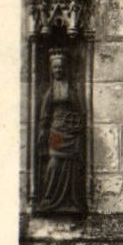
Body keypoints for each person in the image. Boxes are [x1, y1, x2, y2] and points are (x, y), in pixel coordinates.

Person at [36, 48, 85, 216]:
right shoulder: (51, 92)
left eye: (61, 67)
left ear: (65, 68)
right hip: (56, 132)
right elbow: (44, 115)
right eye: (55, 67)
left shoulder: (71, 90)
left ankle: (71, 200)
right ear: (52, 69)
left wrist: (77, 125)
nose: (58, 70)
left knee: (71, 165)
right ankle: (49, 198)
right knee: (54, 162)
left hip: (71, 133)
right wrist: (42, 132)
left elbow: (79, 111)